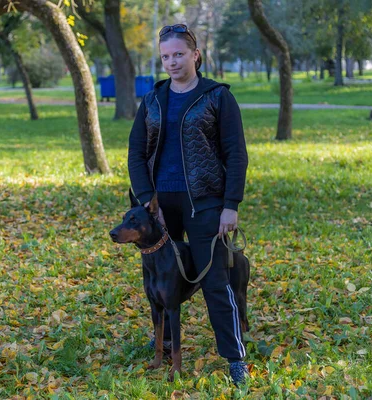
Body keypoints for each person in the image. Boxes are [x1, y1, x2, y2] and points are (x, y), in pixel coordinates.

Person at [127, 24, 249, 385]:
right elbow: (136, 154)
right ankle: (163, 343)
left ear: (195, 55)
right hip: (161, 207)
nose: (172, 62)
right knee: (159, 277)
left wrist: (231, 204)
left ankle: (233, 358)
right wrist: (149, 200)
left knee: (215, 280)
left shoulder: (217, 97)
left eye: (179, 54)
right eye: (165, 56)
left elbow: (236, 153)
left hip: (205, 203)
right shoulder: (152, 99)